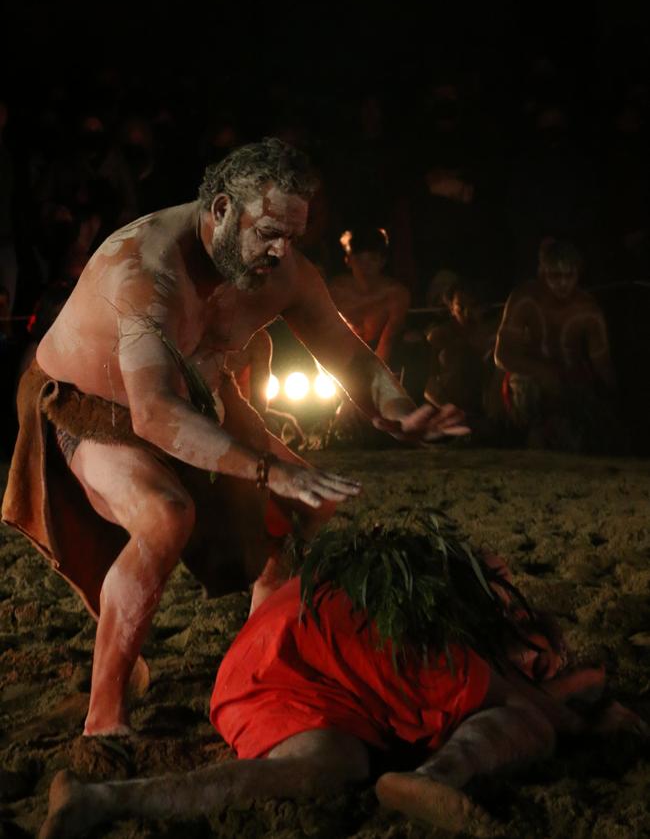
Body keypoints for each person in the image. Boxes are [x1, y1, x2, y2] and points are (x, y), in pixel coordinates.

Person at [2, 138, 467, 739]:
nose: (281, 252)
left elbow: (347, 355)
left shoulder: (281, 272)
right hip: (93, 409)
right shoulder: (146, 271)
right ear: (221, 209)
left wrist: (398, 409)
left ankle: (254, 671)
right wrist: (269, 469)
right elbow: (152, 412)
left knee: (311, 502)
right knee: (168, 516)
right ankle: (104, 718)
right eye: (269, 233)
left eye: (292, 238)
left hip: (204, 396)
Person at [38, 569, 643, 839]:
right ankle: (433, 777)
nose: (541, 668)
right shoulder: (463, 646)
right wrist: (591, 711)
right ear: (511, 628)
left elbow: (532, 689)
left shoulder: (442, 597)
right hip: (291, 665)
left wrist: (572, 687)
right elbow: (534, 708)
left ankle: (98, 800)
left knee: (329, 761)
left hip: (264, 668)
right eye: (539, 657)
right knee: (527, 725)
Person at [494, 238, 619, 451]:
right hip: (529, 381)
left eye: (569, 276)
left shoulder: (589, 311)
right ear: (543, 273)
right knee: (525, 388)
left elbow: (602, 364)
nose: (562, 283)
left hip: (570, 381)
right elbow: (502, 355)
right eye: (555, 276)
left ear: (578, 274)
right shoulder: (524, 299)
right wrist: (542, 371)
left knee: (580, 425)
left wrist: (614, 399)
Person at [329, 226, 410, 366]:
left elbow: (388, 340)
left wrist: (376, 375)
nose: (365, 267)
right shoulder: (336, 291)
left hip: (380, 355)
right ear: (348, 261)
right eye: (359, 260)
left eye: (372, 259)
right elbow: (325, 334)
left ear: (382, 262)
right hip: (341, 354)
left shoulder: (395, 294)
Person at [425, 280, 498, 420]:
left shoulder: (494, 334)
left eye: (474, 306)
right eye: (460, 307)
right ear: (451, 309)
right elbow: (428, 385)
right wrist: (452, 412)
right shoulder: (440, 336)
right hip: (452, 407)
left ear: (484, 307)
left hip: (489, 406)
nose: (467, 313)